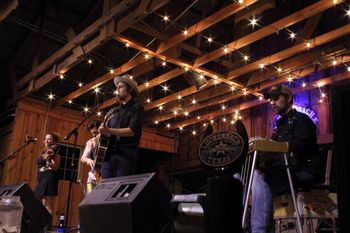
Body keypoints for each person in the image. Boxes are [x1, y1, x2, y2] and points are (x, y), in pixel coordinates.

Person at [250, 85, 321, 233]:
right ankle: (245, 224)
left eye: (276, 98)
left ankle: (259, 230)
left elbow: (303, 146)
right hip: (284, 170)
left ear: (288, 99)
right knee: (241, 175)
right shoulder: (279, 124)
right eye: (270, 100)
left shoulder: (302, 119)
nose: (272, 102)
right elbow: (276, 151)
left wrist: (278, 147)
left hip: (301, 171)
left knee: (258, 175)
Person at [98, 74, 144, 178]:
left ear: (130, 89)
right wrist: (102, 133)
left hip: (125, 157)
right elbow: (108, 132)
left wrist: (109, 130)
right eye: (116, 87)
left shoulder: (137, 108)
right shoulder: (115, 111)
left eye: (120, 87)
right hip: (109, 156)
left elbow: (132, 131)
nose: (117, 90)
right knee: (105, 189)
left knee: (120, 191)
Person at [35, 133, 61, 215]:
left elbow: (56, 167)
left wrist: (49, 163)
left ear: (53, 141)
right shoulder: (44, 151)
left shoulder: (54, 152)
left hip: (49, 177)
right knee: (38, 203)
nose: (46, 140)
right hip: (41, 177)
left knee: (46, 204)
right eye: (46, 138)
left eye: (49, 139)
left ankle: (47, 227)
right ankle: (40, 225)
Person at [80, 120, 101, 192]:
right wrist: (89, 160)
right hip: (93, 175)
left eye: (95, 132)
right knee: (89, 198)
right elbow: (83, 158)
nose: (94, 135)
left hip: (104, 175)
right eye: (92, 133)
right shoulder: (90, 142)